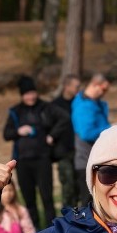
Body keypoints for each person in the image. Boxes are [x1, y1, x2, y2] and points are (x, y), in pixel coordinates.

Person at [3, 75, 70, 230]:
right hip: (23, 162)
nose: (31, 97)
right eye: (27, 94)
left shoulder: (46, 107)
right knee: (29, 200)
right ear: (22, 95)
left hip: (42, 159)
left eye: (33, 93)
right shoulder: (16, 112)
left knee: (47, 198)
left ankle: (52, 231)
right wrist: (18, 131)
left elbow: (64, 118)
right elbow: (6, 134)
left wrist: (52, 135)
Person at [71, 73, 111, 209]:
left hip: (99, 159)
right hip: (87, 161)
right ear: (94, 85)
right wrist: (110, 129)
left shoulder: (96, 104)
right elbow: (86, 133)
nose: (105, 93)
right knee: (89, 204)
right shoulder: (83, 106)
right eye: (104, 89)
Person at [51, 74, 82, 210]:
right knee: (67, 185)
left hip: (79, 151)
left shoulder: (79, 104)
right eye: (76, 86)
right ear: (66, 86)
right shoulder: (54, 105)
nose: (78, 89)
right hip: (63, 152)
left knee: (79, 186)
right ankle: (67, 217)